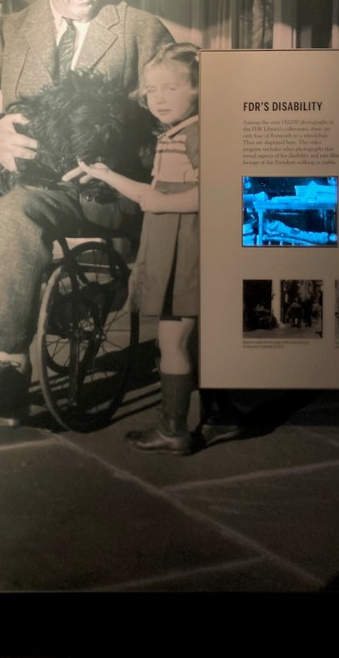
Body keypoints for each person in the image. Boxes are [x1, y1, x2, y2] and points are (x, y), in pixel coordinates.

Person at [0, 0, 173, 419]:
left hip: (97, 189)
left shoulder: (139, 29)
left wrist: (118, 163)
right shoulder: (12, 28)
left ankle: (8, 364)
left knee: (16, 212)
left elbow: (177, 115)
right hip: (17, 176)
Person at [66, 43, 246, 454]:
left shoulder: (199, 133)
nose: (158, 98)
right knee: (185, 340)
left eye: (170, 88)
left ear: (198, 88)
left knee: (173, 341)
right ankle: (219, 418)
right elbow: (150, 194)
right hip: (173, 248)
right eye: (150, 90)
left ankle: (173, 429)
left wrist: (165, 203)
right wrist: (105, 174)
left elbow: (219, 190)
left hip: (189, 251)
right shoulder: (176, 134)